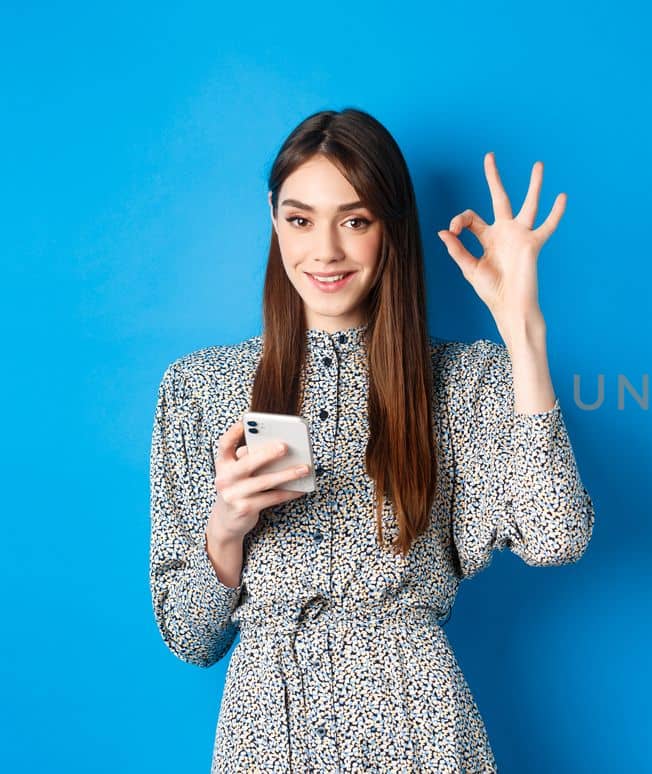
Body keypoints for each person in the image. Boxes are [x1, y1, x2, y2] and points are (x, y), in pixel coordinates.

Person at [147, 107, 595, 772]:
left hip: (422, 735)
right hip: (267, 739)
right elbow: (189, 637)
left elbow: (557, 536)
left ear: (391, 229)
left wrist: (522, 330)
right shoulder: (200, 388)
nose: (324, 250)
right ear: (274, 220)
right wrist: (226, 529)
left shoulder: (466, 382)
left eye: (355, 220)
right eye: (300, 220)